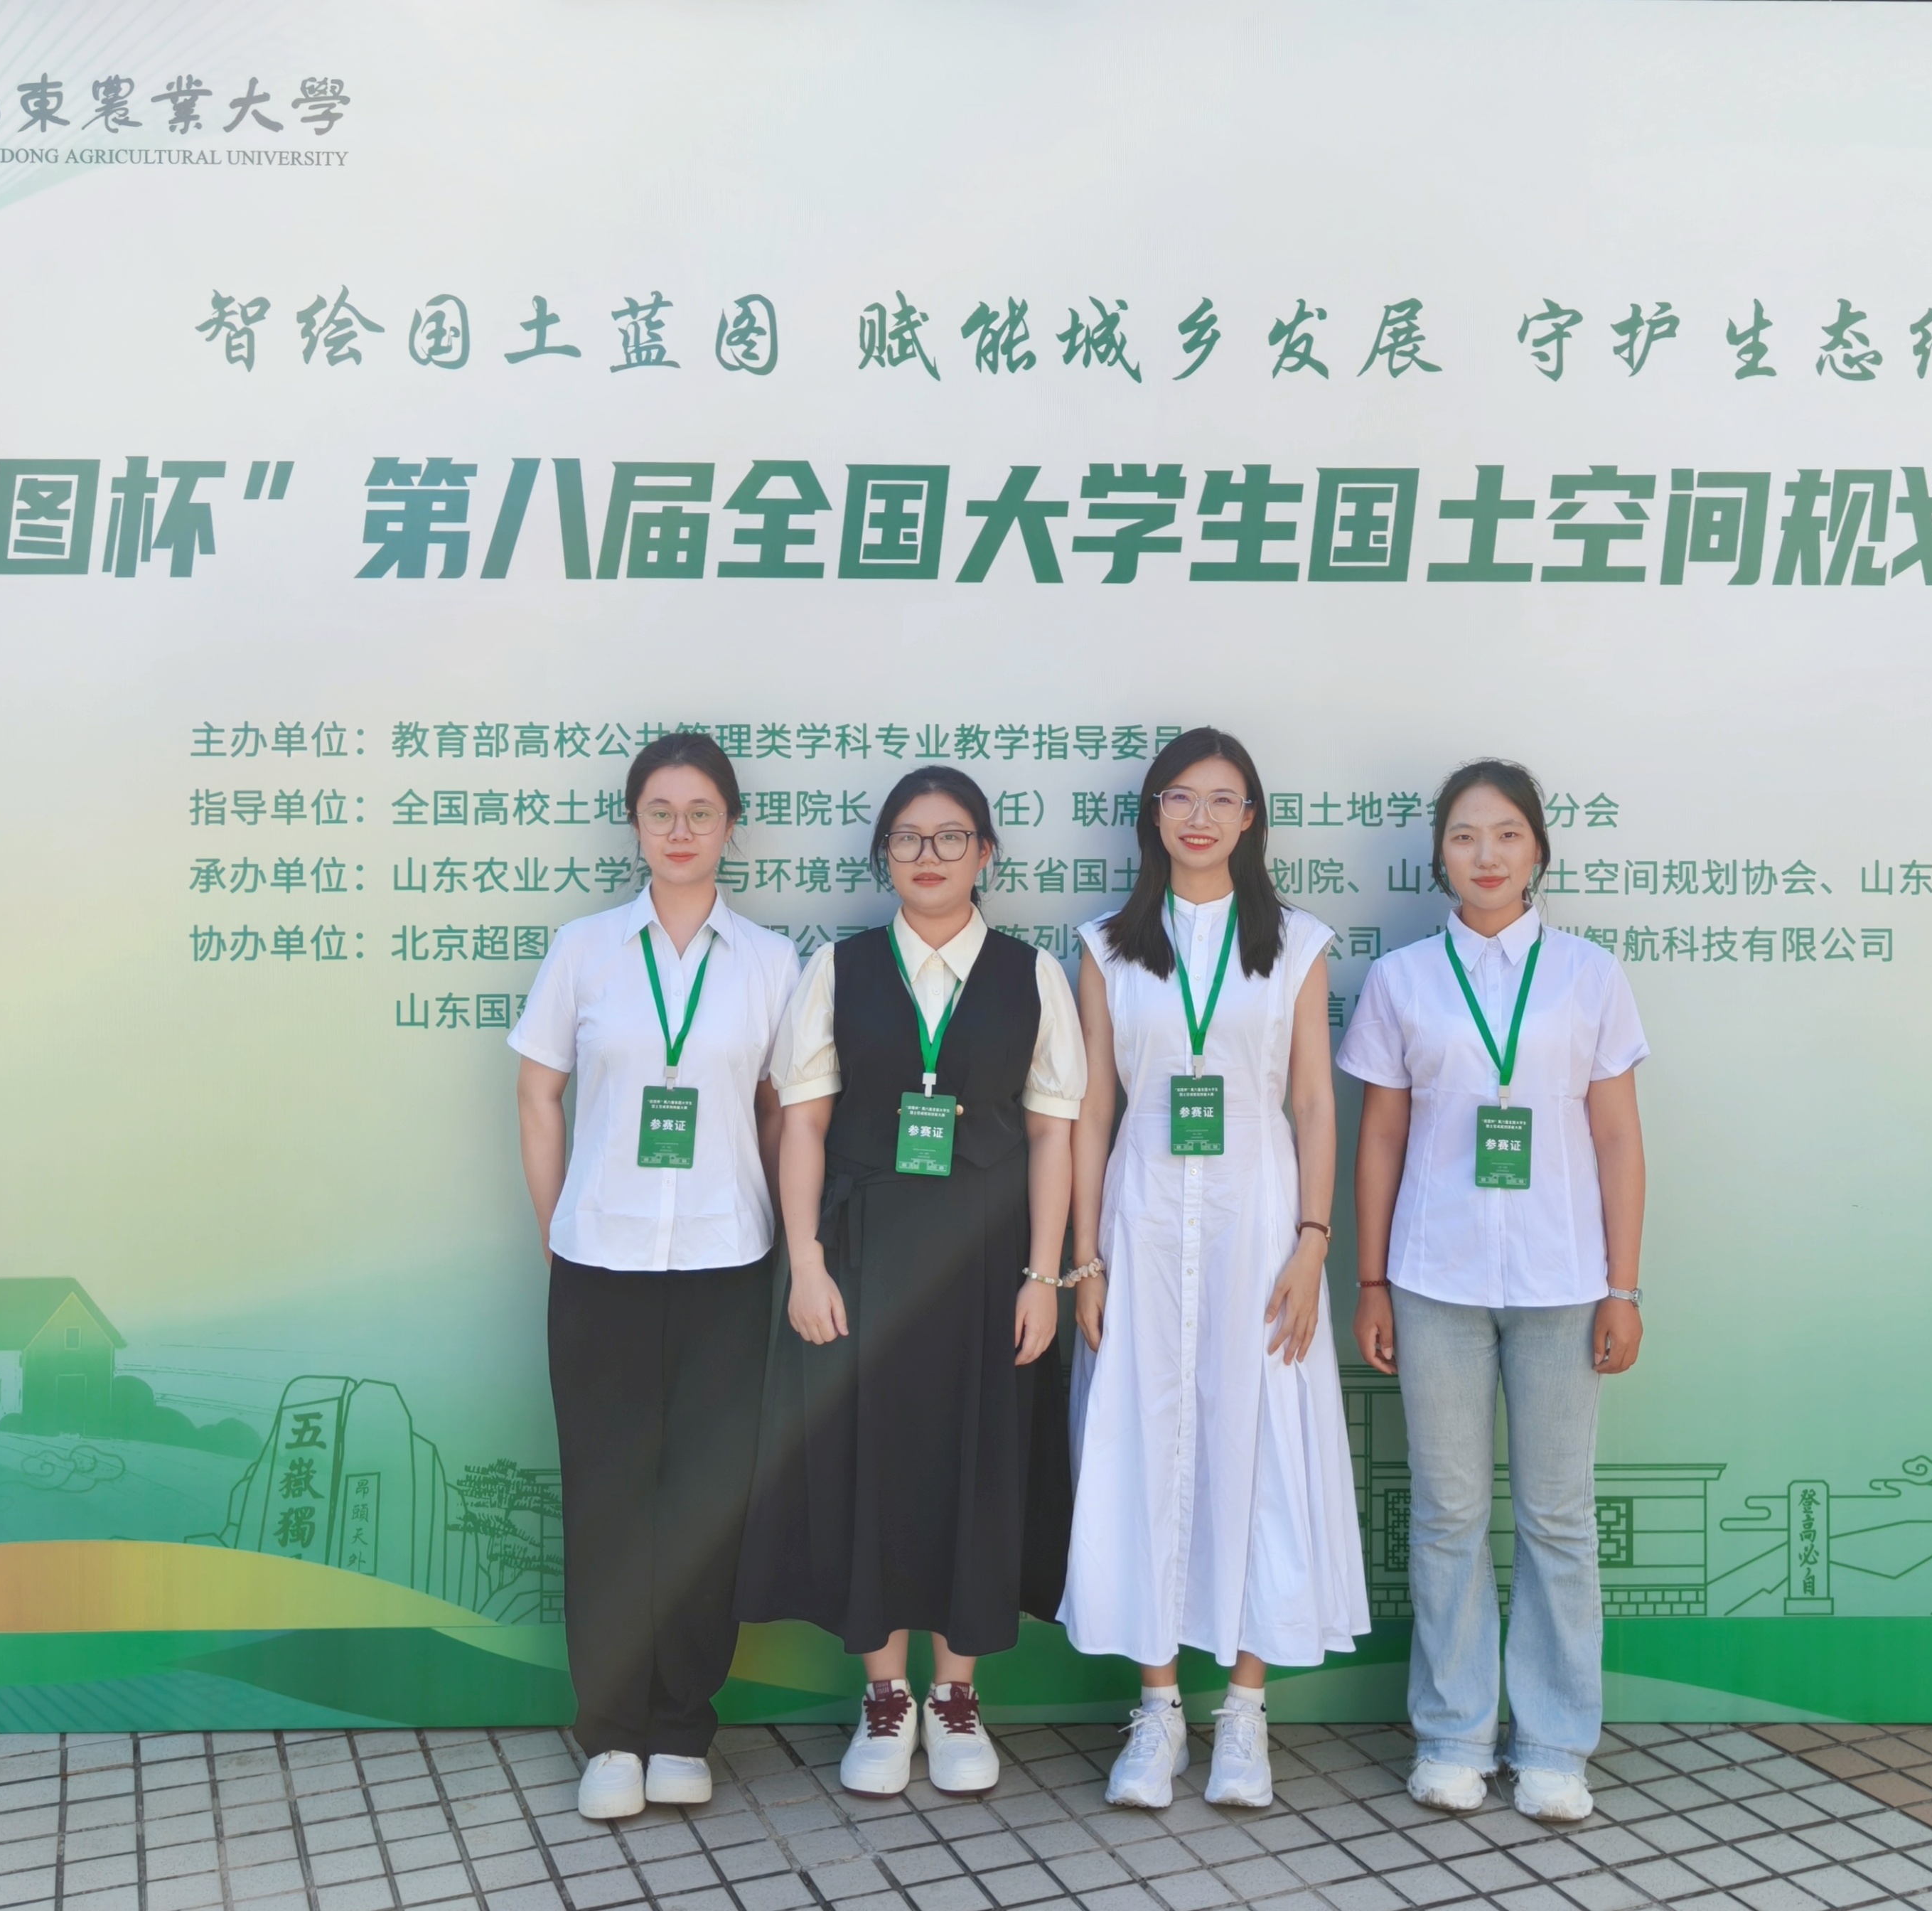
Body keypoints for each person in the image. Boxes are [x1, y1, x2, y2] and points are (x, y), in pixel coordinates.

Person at [737, 765, 1083, 1798]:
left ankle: (957, 1696)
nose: (928, 856)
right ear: (883, 855)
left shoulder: (1033, 975)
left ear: (986, 853)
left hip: (989, 1264)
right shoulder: (838, 970)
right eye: (907, 838)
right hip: (863, 1256)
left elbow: (1053, 1136)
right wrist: (804, 1260)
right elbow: (802, 1124)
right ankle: (886, 1696)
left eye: (950, 837)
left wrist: (1045, 1276)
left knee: (980, 1461)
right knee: (869, 1466)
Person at [1059, 728, 1369, 1809]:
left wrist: (1315, 1241)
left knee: (1261, 1442)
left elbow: (1315, 1102)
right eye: (1180, 798)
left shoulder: (1295, 942)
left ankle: (1244, 1710)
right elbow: (1092, 1108)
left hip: (1260, 1221)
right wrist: (1084, 1258)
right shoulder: (1106, 946)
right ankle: (1157, 1710)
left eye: (1222, 799)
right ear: (1153, 814)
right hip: (1142, 1217)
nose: (1199, 817)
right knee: (1145, 1440)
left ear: (1251, 819)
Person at [1337, 758, 1649, 1824]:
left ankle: (1556, 1744)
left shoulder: (1590, 976)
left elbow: (1618, 1138)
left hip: (1564, 1281)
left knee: (1558, 1516)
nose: (1486, 854)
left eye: (1507, 833)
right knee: (1449, 1514)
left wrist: (1624, 1286)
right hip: (1436, 1278)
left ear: (1538, 851)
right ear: (1440, 855)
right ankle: (1454, 1734)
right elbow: (1381, 1137)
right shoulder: (1403, 980)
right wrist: (1370, 1280)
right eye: (1465, 835)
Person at [511, 732, 801, 1821]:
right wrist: (558, 1221)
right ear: (634, 825)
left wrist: (776, 1223)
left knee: (705, 1502)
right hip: (602, 1262)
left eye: (701, 812)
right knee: (609, 1500)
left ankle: (682, 1725)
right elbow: (539, 1095)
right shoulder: (585, 950)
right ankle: (611, 1734)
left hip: (729, 1263)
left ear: (731, 827)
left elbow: (781, 1111)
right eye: (660, 812)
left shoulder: (769, 963)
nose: (680, 832)